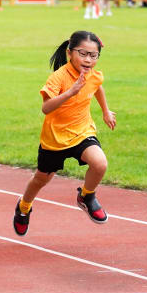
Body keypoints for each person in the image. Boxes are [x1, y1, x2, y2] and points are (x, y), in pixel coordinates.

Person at [12, 31, 116, 236]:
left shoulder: (93, 75)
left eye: (93, 55)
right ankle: (24, 206)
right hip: (55, 139)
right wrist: (71, 92)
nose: (88, 60)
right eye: (83, 54)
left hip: (82, 132)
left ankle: (86, 196)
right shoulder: (58, 77)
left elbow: (97, 87)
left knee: (100, 163)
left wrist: (105, 111)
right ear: (70, 53)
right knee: (41, 179)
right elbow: (46, 107)